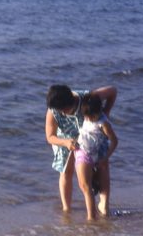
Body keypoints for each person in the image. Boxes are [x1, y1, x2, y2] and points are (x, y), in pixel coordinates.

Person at [45, 84, 117, 215]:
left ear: (71, 102)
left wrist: (105, 114)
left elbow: (112, 91)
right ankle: (67, 209)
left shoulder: (87, 98)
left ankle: (104, 205)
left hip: (92, 136)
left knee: (103, 165)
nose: (61, 113)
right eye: (58, 110)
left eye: (64, 110)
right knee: (66, 171)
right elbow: (50, 137)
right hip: (65, 138)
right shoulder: (53, 109)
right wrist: (65, 142)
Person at [76, 95, 118, 220]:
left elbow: (114, 141)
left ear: (99, 111)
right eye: (86, 116)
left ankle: (91, 217)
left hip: (92, 155)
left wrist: (106, 157)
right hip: (83, 150)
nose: (88, 118)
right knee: (85, 185)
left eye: (90, 116)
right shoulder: (87, 114)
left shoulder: (103, 123)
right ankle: (94, 214)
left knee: (85, 186)